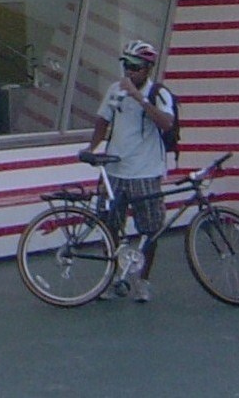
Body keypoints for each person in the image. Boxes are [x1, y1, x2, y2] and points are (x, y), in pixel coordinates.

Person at [82, 38, 176, 303]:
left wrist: (139, 97)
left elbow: (167, 123)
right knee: (109, 225)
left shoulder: (159, 93)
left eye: (135, 67)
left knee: (151, 228)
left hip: (146, 171)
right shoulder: (115, 90)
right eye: (126, 65)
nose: (129, 72)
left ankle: (142, 280)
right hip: (115, 170)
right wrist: (92, 148)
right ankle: (112, 278)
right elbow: (102, 121)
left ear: (147, 68)